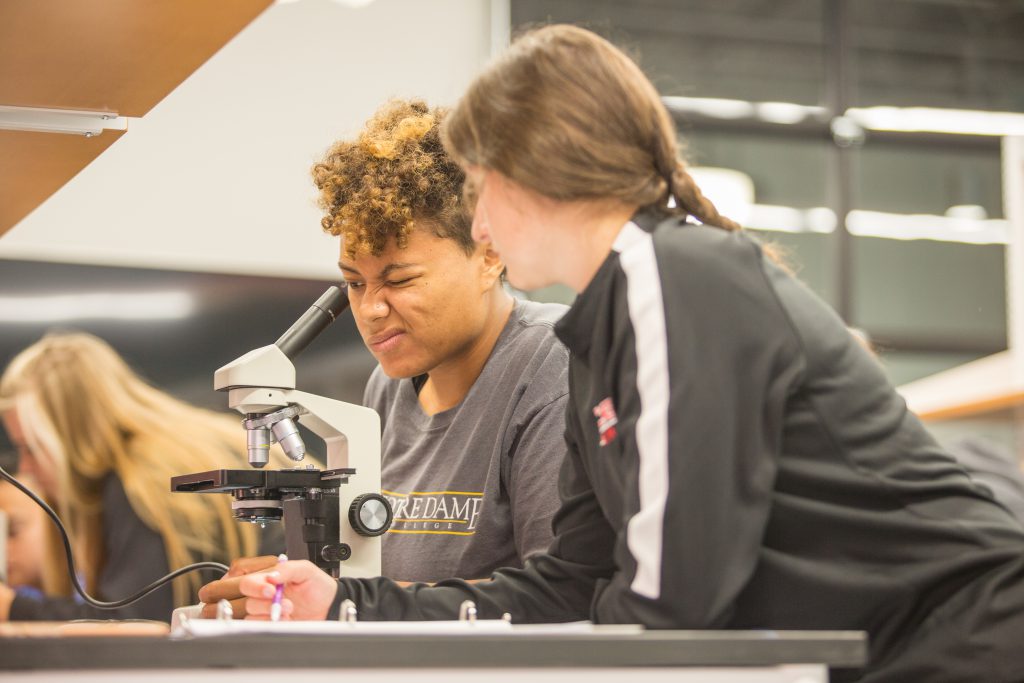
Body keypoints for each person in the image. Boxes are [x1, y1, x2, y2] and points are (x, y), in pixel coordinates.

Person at [237, 25, 1024, 683]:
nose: (477, 225)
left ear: (536, 173)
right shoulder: (598, 335)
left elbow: (670, 601)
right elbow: (572, 584)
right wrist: (347, 604)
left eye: (480, 187)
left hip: (962, 637)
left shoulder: (671, 276)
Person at [197, 100, 568, 612]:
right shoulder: (388, 388)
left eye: (399, 280)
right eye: (353, 283)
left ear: (489, 256)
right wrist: (301, 584)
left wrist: (351, 603)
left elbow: (561, 597)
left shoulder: (554, 367)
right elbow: (380, 577)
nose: (370, 309)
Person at [0, 332, 285, 622]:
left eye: (31, 449)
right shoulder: (174, 449)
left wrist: (12, 607)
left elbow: (132, 623)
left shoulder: (144, 477)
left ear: (69, 438)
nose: (25, 467)